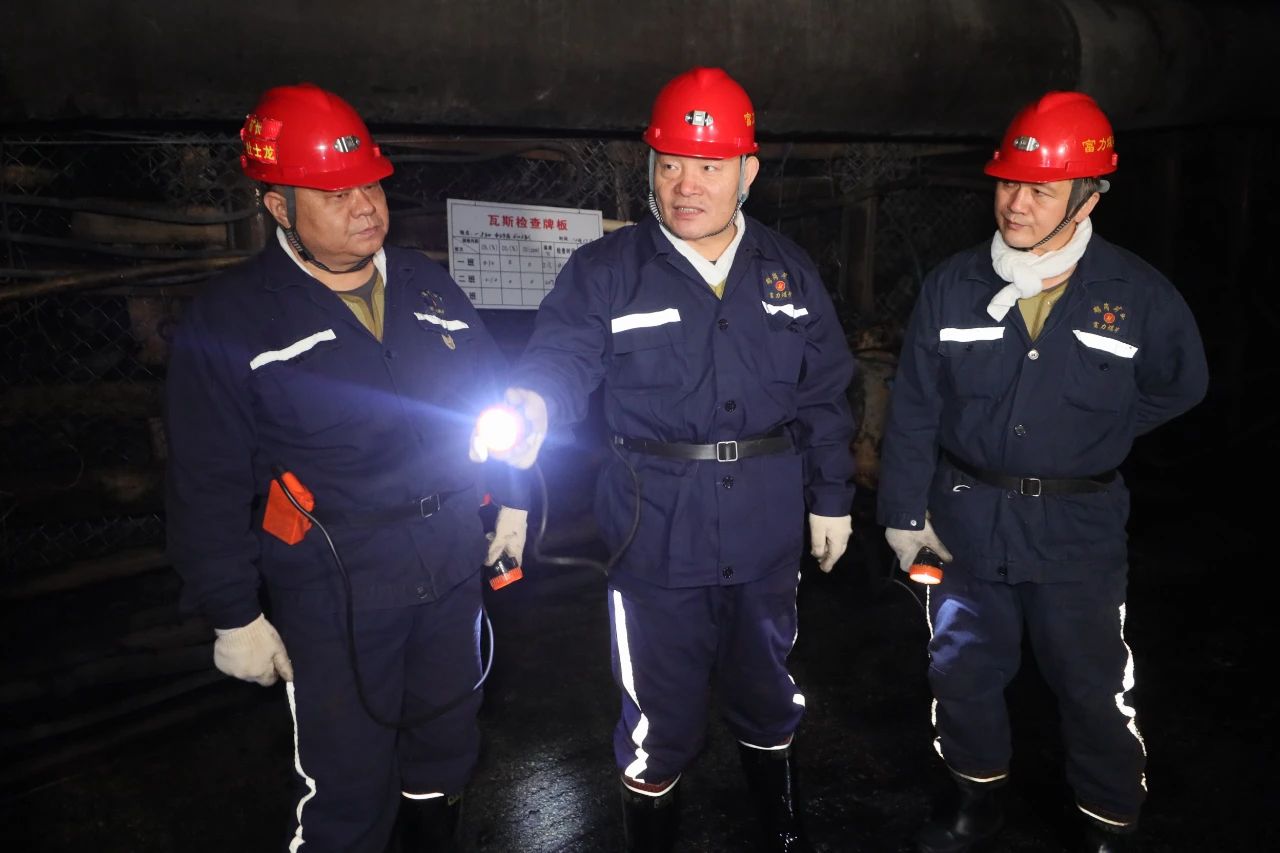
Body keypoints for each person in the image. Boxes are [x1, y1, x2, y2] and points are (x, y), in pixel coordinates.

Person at [470, 67, 856, 852]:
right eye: (671, 163)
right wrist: (534, 403)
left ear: (747, 171)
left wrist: (833, 497)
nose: (686, 185)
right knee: (659, 714)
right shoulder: (607, 272)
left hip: (765, 527)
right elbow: (561, 358)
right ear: (650, 166)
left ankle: (783, 831)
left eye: (709, 166)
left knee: (768, 688)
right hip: (655, 530)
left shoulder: (789, 271)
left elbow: (824, 392)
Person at [164, 82, 528, 853]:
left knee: (446, 754)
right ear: (279, 206)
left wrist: (515, 498)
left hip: (449, 566)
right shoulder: (233, 319)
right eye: (334, 194)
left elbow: (496, 402)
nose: (363, 205)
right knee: (349, 789)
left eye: (370, 184)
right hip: (336, 590)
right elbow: (205, 479)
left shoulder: (426, 284)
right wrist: (234, 613)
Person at [876, 91, 1208, 853]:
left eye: (1041, 190)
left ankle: (1107, 819)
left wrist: (1096, 433)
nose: (1016, 204)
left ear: (1087, 199)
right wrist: (903, 513)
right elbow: (916, 406)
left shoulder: (1137, 296)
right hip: (965, 520)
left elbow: (1181, 384)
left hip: (1077, 531)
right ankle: (975, 798)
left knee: (1093, 684)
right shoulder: (953, 286)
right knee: (961, 670)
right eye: (1007, 184)